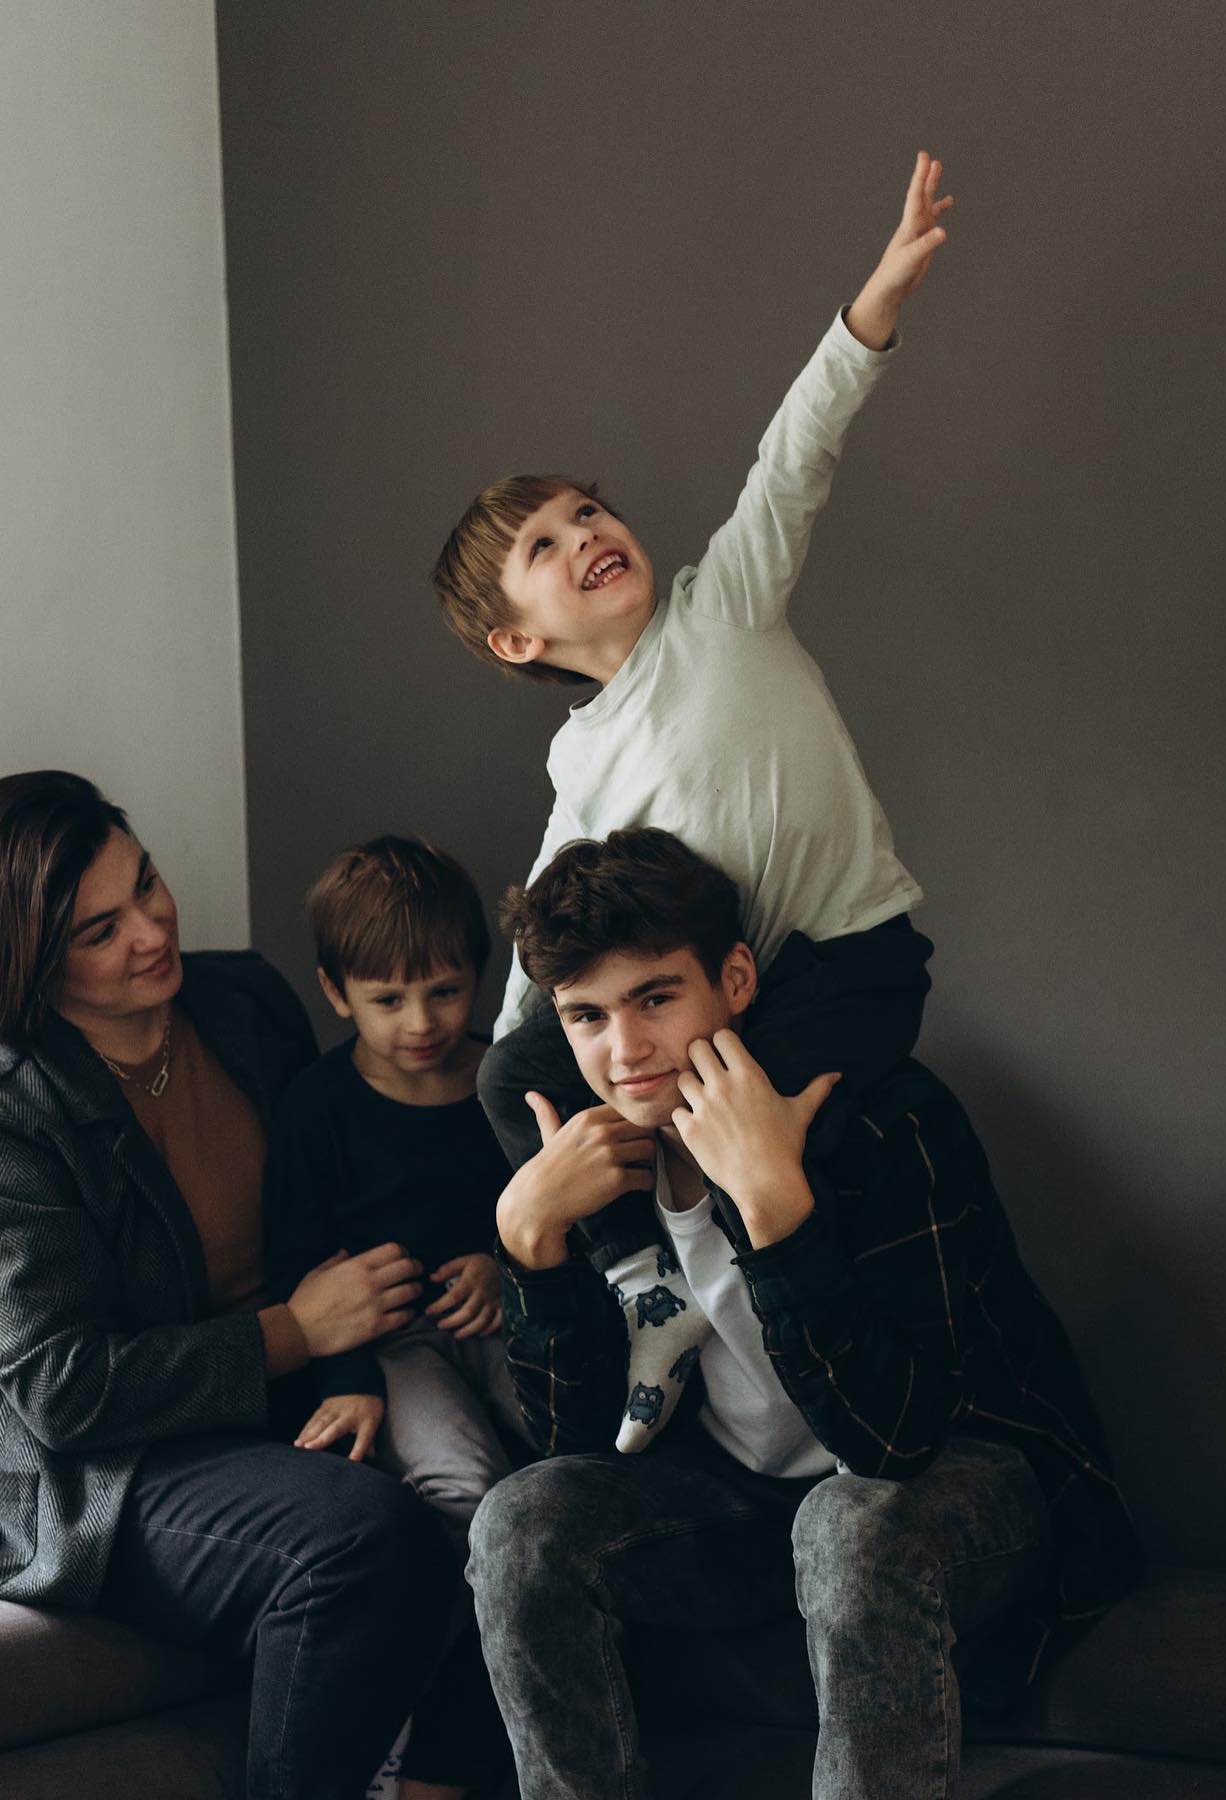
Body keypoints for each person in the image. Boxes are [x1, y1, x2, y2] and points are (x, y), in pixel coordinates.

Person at [432, 153, 950, 1447]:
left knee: (743, 1146)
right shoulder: (581, 759)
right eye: (544, 545)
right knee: (510, 1077)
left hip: (844, 964)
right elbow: (549, 914)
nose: (585, 534)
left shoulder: (726, 607)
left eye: (587, 511)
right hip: (731, 988)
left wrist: (874, 304)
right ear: (516, 640)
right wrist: (524, 1034)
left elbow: (794, 456)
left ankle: (814, 1389)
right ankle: (641, 1284)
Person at [466, 827, 1144, 1800]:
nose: (625, 1050)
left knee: (847, 1523)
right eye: (587, 1016)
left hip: (960, 1485)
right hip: (743, 1503)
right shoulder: (592, 1158)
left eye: (655, 998)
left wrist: (777, 1210)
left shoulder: (881, 1117)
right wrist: (528, 1238)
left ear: (735, 979)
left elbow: (896, 1439)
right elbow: (574, 1447)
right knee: (519, 1519)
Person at [0, 771, 462, 1800]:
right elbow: (65, 1391)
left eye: (147, 884)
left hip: (281, 1403)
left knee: (508, 1479)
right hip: (110, 1468)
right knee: (360, 1535)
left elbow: (344, 1174)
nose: (152, 929)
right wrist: (295, 1332)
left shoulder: (243, 1002)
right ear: (31, 965)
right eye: (100, 930)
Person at [263, 837, 523, 1800]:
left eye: (445, 992)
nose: (421, 1023)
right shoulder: (316, 1108)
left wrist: (503, 1268)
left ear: (480, 978)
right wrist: (347, 1381)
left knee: (573, 1461)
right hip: (389, 1341)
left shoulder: (505, 1084)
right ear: (336, 994)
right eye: (388, 1000)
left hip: (502, 1318)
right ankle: (423, 1726)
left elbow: (564, 1215)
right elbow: (298, 1265)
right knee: (468, 1492)